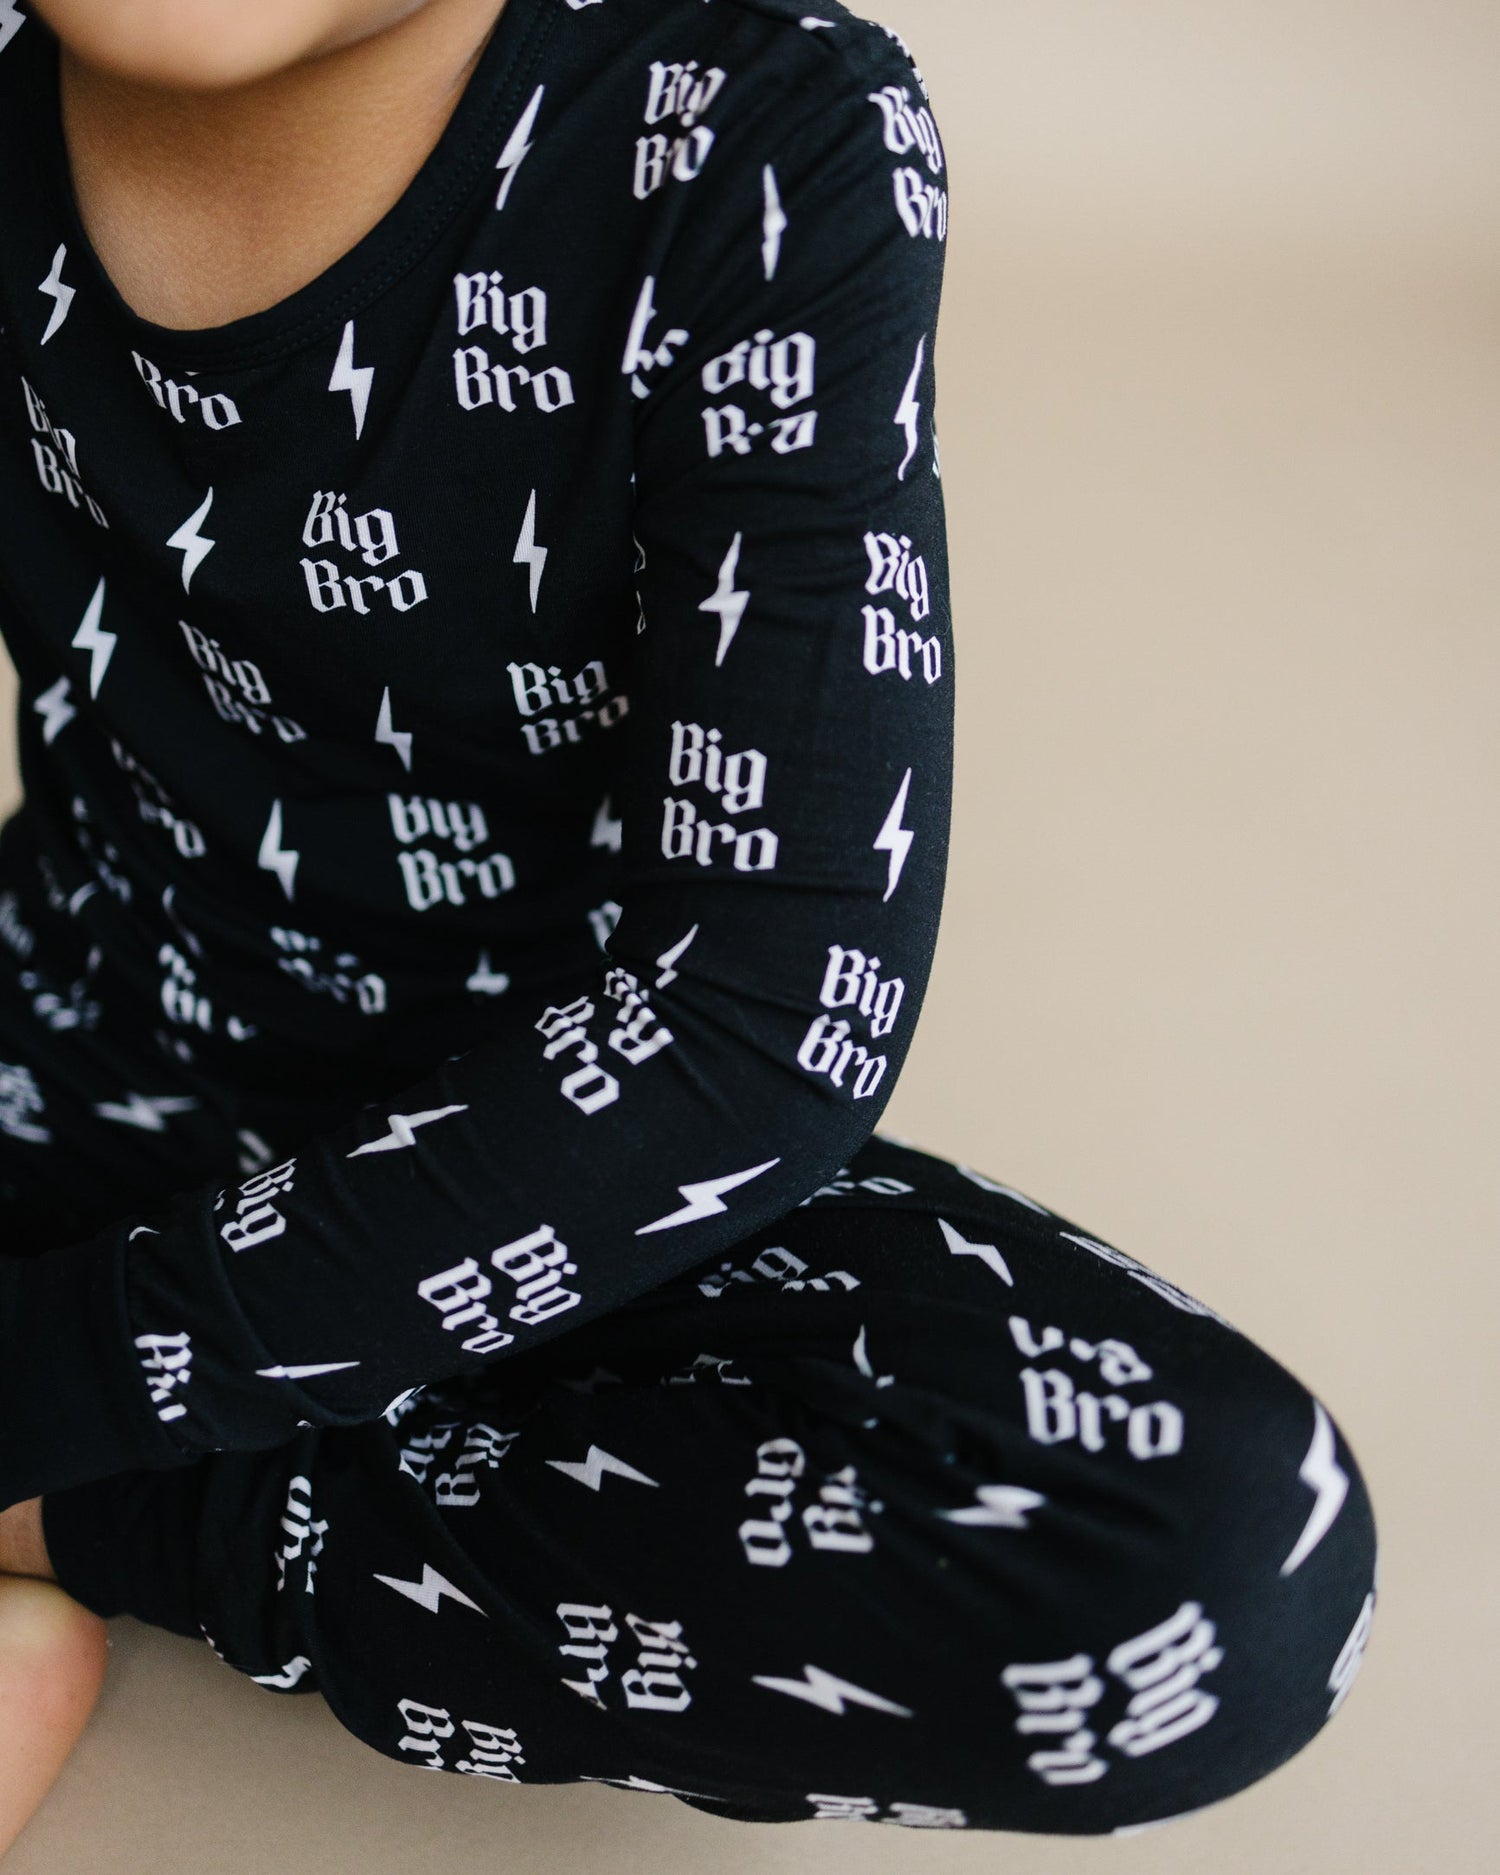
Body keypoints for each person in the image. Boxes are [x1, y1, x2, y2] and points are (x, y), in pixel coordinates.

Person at [0, 0, 1378, 1849]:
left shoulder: (754, 124)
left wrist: (59, 1399)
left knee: (1205, 1573)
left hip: (566, 1180)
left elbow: (755, 1028)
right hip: (59, 1056)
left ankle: (96, 1517)